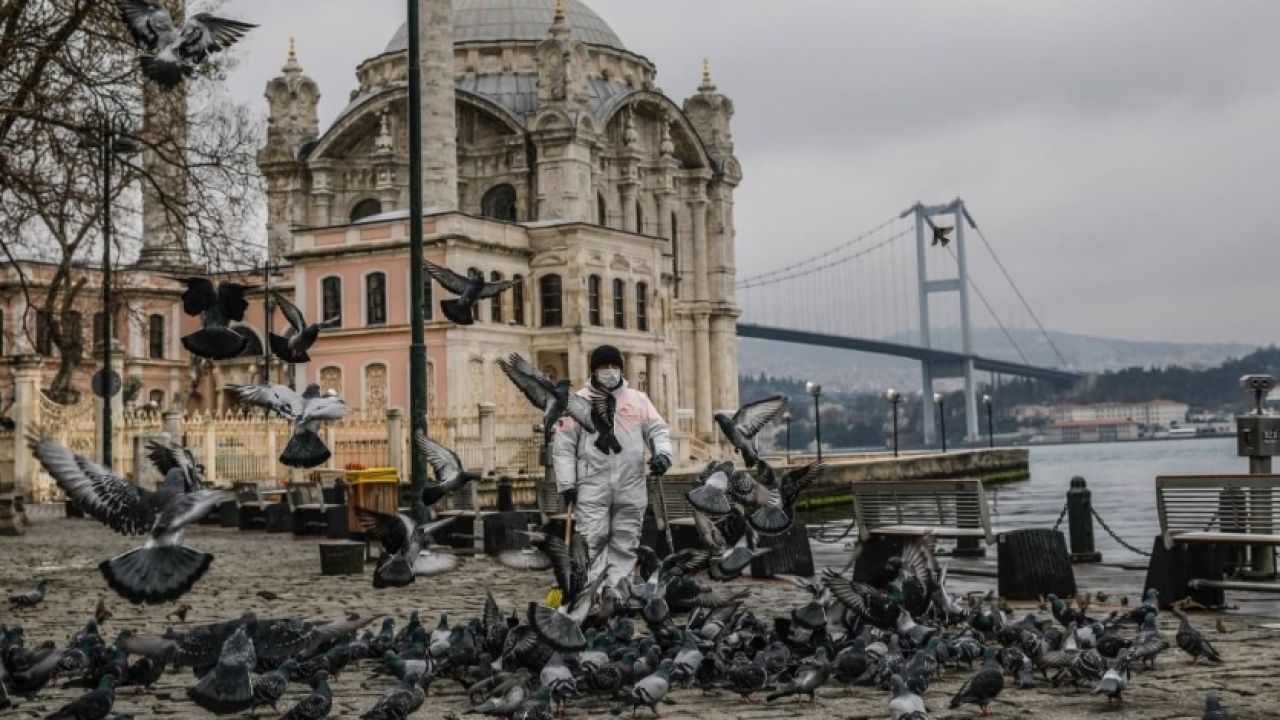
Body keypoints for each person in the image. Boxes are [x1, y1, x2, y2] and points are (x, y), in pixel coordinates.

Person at [551, 345, 672, 587]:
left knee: (626, 543)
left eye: (614, 366)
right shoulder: (577, 402)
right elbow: (564, 446)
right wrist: (566, 484)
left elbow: (657, 430)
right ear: (593, 370)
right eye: (604, 366)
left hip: (631, 484)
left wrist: (663, 455)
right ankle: (592, 595)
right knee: (591, 541)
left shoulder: (638, 400)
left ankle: (617, 594)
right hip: (592, 484)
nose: (610, 371)